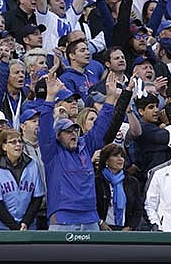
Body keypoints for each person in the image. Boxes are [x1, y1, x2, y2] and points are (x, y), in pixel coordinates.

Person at [38, 67, 119, 231]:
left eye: (75, 130)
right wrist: (50, 98)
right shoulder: (52, 152)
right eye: (67, 132)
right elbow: (44, 128)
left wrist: (110, 99)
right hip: (62, 219)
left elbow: (101, 126)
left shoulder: (84, 146)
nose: (73, 134)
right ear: (58, 136)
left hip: (90, 218)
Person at [0, 129, 44, 230]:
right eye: (13, 142)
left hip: (28, 226)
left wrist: (25, 222)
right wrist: (14, 227)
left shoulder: (32, 163)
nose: (18, 145)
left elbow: (37, 198)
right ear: (4, 146)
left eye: (20, 141)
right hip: (0, 228)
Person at [95, 143, 143, 231]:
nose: (120, 159)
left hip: (125, 230)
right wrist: (100, 222)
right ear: (106, 160)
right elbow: (92, 206)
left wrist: (130, 227)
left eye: (122, 156)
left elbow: (138, 208)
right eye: (115, 156)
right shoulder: (97, 182)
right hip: (102, 229)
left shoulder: (132, 182)